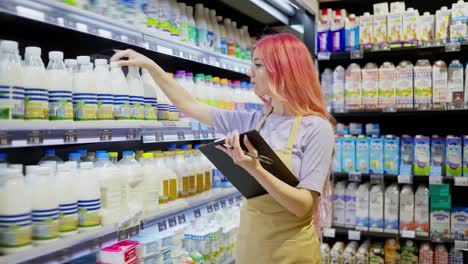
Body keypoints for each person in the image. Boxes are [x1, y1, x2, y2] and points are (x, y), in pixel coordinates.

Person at [111, 32, 335, 264]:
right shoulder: (254, 121)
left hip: (291, 252)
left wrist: (255, 168)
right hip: (251, 247)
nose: (250, 72)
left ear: (283, 70)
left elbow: (304, 207)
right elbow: (189, 105)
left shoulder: (317, 128)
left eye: (258, 65)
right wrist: (150, 66)